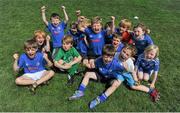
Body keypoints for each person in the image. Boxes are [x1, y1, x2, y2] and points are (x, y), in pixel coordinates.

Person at [68, 45, 126, 109]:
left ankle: (100, 99)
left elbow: (124, 71)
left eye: (110, 57)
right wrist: (87, 64)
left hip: (110, 78)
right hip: (101, 75)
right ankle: (80, 92)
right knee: (87, 74)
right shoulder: (99, 60)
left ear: (113, 57)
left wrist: (119, 77)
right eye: (106, 56)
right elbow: (93, 65)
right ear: (102, 55)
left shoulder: (116, 64)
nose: (108, 59)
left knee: (116, 84)